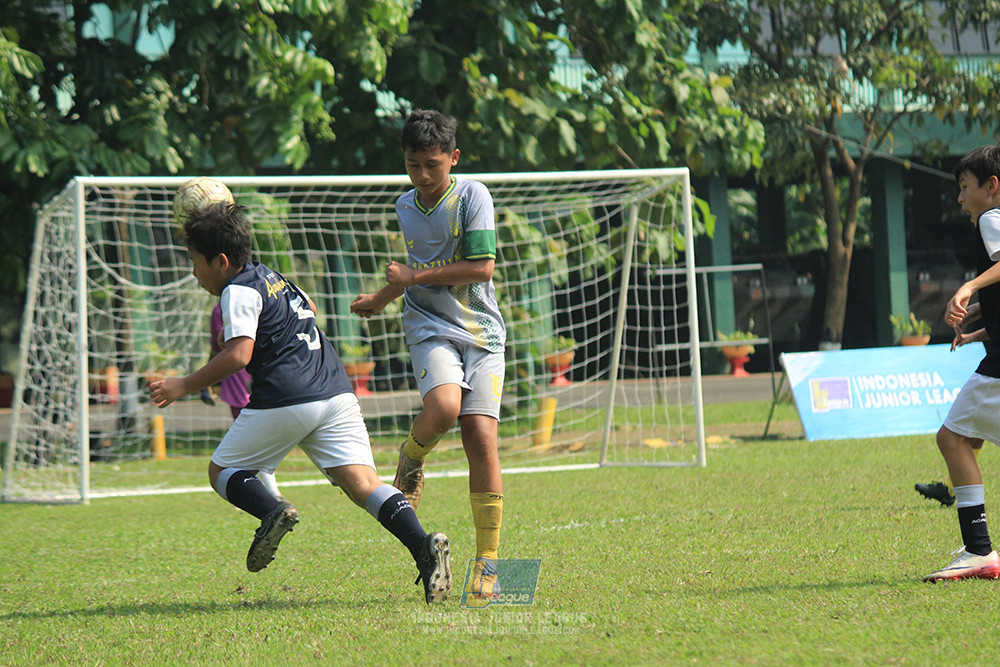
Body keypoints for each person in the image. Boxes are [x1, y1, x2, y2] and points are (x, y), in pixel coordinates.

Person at [148, 201, 452, 603]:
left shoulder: (237, 289)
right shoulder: (273, 276)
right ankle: (424, 548)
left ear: (221, 261)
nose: (193, 272)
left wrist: (182, 384)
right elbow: (307, 309)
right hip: (335, 390)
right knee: (364, 485)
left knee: (222, 470)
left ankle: (272, 512)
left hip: (286, 395)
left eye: (195, 262)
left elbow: (239, 355)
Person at [350, 109, 505, 598]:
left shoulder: (473, 196)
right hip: (428, 326)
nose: (421, 175)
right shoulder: (405, 206)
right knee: (442, 409)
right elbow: (412, 272)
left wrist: (410, 279)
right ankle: (412, 458)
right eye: (413, 164)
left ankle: (488, 564)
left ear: (453, 159)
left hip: (481, 331)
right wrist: (382, 298)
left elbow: (481, 268)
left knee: (480, 438)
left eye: (432, 165)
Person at [923, 144, 1000, 582]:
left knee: (952, 439)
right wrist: (977, 330)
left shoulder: (992, 218)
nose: (959, 198)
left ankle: (979, 551)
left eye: (964, 187)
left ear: (991, 187)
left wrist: (968, 287)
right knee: (963, 439)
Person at [208, 303, 282, 499]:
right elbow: (217, 347)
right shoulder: (220, 309)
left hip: (250, 372)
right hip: (248, 374)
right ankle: (269, 492)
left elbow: (219, 349)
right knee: (254, 436)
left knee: (253, 438)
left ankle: (267, 494)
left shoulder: (232, 304)